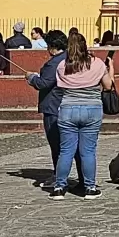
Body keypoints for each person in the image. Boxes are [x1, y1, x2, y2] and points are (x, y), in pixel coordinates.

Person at [50, 30, 113, 200]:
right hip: (92, 108)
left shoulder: (62, 66)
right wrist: (110, 69)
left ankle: (59, 187)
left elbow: (60, 85)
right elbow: (108, 86)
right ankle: (90, 187)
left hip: (68, 108)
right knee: (88, 151)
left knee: (66, 151)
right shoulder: (97, 63)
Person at [26, 30, 69, 191]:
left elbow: (44, 83)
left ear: (52, 47)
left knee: (56, 144)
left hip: (53, 106)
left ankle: (59, 176)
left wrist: (31, 78)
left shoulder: (54, 63)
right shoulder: (70, 58)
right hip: (67, 104)